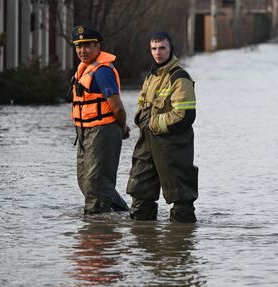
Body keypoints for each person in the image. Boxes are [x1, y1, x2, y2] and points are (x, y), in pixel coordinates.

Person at [127, 32, 199, 223]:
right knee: (140, 192)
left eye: (162, 48)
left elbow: (185, 116)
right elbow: (142, 104)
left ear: (170, 49)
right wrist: (141, 121)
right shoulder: (151, 76)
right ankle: (144, 243)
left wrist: (153, 123)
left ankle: (179, 244)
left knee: (181, 199)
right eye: (153, 48)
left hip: (172, 145)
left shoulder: (180, 77)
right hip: (146, 142)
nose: (157, 52)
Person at [70, 25, 130, 214]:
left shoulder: (103, 72)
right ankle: (124, 214)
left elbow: (118, 107)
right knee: (85, 182)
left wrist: (122, 128)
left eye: (87, 46)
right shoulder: (84, 69)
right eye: (79, 46)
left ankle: (96, 232)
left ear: (97, 46)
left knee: (96, 184)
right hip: (84, 131)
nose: (82, 51)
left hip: (103, 130)